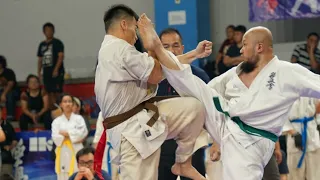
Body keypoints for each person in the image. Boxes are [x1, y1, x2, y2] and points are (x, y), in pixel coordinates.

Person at [138, 15, 320, 179]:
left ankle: (159, 49)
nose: (240, 51)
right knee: (191, 82)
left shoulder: (287, 72)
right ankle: (158, 49)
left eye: (245, 45)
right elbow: (206, 90)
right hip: (226, 122)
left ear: (259, 47)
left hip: (251, 141)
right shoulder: (237, 72)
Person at [94, 4, 211, 180]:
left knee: (193, 109)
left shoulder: (115, 49)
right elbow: (156, 73)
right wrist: (151, 42)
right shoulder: (120, 50)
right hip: (132, 132)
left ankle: (183, 163)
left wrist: (193, 54)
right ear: (124, 24)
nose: (136, 36)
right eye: (136, 28)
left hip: (144, 118)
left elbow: (165, 66)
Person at [157, 27, 209, 180]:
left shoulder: (198, 76)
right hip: (162, 145)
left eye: (175, 45)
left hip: (192, 146)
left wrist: (217, 143)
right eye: (165, 47)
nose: (171, 51)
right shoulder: (152, 79)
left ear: (183, 48)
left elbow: (212, 109)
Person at [51, 94, 88, 180]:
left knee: (79, 172)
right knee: (63, 174)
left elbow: (82, 133)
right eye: (65, 101)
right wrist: (72, 134)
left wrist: (66, 133)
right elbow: (55, 137)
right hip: (62, 150)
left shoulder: (79, 119)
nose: (67, 104)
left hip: (77, 150)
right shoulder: (56, 121)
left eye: (69, 101)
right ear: (61, 104)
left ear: (72, 104)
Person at [283, 97, 320, 180]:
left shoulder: (310, 87)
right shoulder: (284, 92)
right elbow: (279, 118)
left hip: (312, 135)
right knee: (295, 175)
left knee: (315, 175)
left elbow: (318, 107)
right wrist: (294, 133)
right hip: (294, 135)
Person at [37, 22, 65, 110]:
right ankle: (51, 110)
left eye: (50, 30)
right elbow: (40, 59)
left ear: (53, 31)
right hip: (46, 72)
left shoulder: (57, 43)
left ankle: (59, 109)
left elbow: (61, 56)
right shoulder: (42, 45)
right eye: (47, 30)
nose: (48, 32)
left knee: (56, 92)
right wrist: (39, 71)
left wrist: (56, 69)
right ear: (44, 32)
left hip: (56, 73)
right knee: (48, 92)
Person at [0, 56, 19, 121]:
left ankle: (10, 116)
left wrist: (3, 94)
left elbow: (10, 84)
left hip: (12, 91)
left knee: (10, 95)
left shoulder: (8, 72)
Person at [0, 107, 17, 176]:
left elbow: (14, 140)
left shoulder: (8, 125)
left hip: (5, 154)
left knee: (5, 176)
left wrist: (10, 147)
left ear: (2, 112)